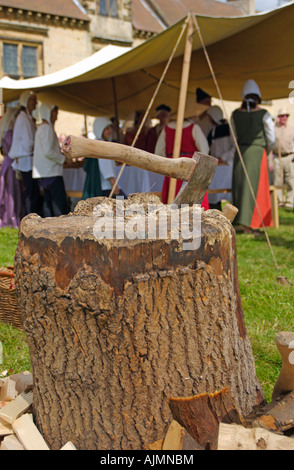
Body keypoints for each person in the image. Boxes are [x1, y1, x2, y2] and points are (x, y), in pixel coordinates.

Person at [231, 79, 275, 233]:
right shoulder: (264, 114)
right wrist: (266, 151)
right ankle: (253, 224)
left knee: (242, 186)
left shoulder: (235, 114)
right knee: (257, 188)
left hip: (241, 153)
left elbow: (233, 136)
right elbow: (271, 138)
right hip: (257, 153)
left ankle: (242, 222)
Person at [155, 118, 210, 209]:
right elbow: (204, 149)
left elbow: (159, 151)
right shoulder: (194, 128)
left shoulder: (166, 129)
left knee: (174, 197)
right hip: (190, 165)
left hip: (173, 165)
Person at [8, 90, 42, 216]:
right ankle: (29, 217)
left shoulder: (27, 118)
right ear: (26, 101)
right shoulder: (23, 118)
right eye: (33, 100)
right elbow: (28, 143)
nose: (36, 103)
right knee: (30, 192)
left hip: (28, 159)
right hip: (26, 160)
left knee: (32, 191)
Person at [33, 103, 69, 217]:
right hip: (51, 172)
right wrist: (63, 159)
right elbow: (48, 151)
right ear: (48, 113)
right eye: (54, 113)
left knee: (49, 204)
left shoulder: (44, 128)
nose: (56, 116)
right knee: (58, 204)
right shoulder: (46, 129)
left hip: (47, 172)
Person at [83, 117, 125, 199]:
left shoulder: (96, 144)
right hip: (107, 187)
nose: (110, 131)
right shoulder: (101, 146)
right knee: (122, 208)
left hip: (105, 186)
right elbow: (105, 167)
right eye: (107, 129)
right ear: (100, 130)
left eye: (110, 128)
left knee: (112, 210)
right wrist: (114, 184)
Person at [206, 106, 235, 210]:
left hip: (228, 165)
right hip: (216, 166)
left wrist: (223, 157)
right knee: (214, 191)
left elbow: (234, 147)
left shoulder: (230, 128)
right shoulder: (213, 130)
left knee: (228, 190)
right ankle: (215, 209)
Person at [0, 107, 23, 227]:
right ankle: (10, 216)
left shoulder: (9, 132)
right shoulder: (9, 133)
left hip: (9, 163)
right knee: (10, 192)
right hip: (10, 165)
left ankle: (13, 215)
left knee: (13, 190)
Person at [271, 108, 294, 208]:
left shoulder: (292, 128)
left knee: (291, 179)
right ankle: (280, 201)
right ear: (278, 117)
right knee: (277, 180)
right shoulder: (274, 128)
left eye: (286, 116)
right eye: (282, 116)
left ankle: (290, 201)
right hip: (277, 156)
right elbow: (270, 143)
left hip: (289, 156)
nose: (284, 118)